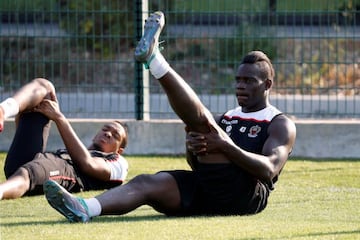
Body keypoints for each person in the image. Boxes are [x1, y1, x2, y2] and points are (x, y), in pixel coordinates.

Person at [44, 11, 296, 222]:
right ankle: (85, 209)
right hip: (208, 189)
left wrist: (225, 147)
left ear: (267, 84)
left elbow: (269, 170)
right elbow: (198, 165)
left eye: (249, 81)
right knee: (146, 182)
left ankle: (154, 60)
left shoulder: (280, 122)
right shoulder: (227, 118)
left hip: (246, 197)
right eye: (238, 80)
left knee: (204, 124)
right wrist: (193, 150)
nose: (241, 86)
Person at [0, 78, 129, 200]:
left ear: (119, 151)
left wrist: (59, 118)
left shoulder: (119, 163)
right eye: (105, 129)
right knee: (46, 87)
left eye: (115, 135)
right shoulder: (69, 151)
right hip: (30, 161)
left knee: (28, 174)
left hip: (62, 171)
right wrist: (26, 116)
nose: (108, 134)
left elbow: (87, 164)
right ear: (95, 136)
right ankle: (3, 110)